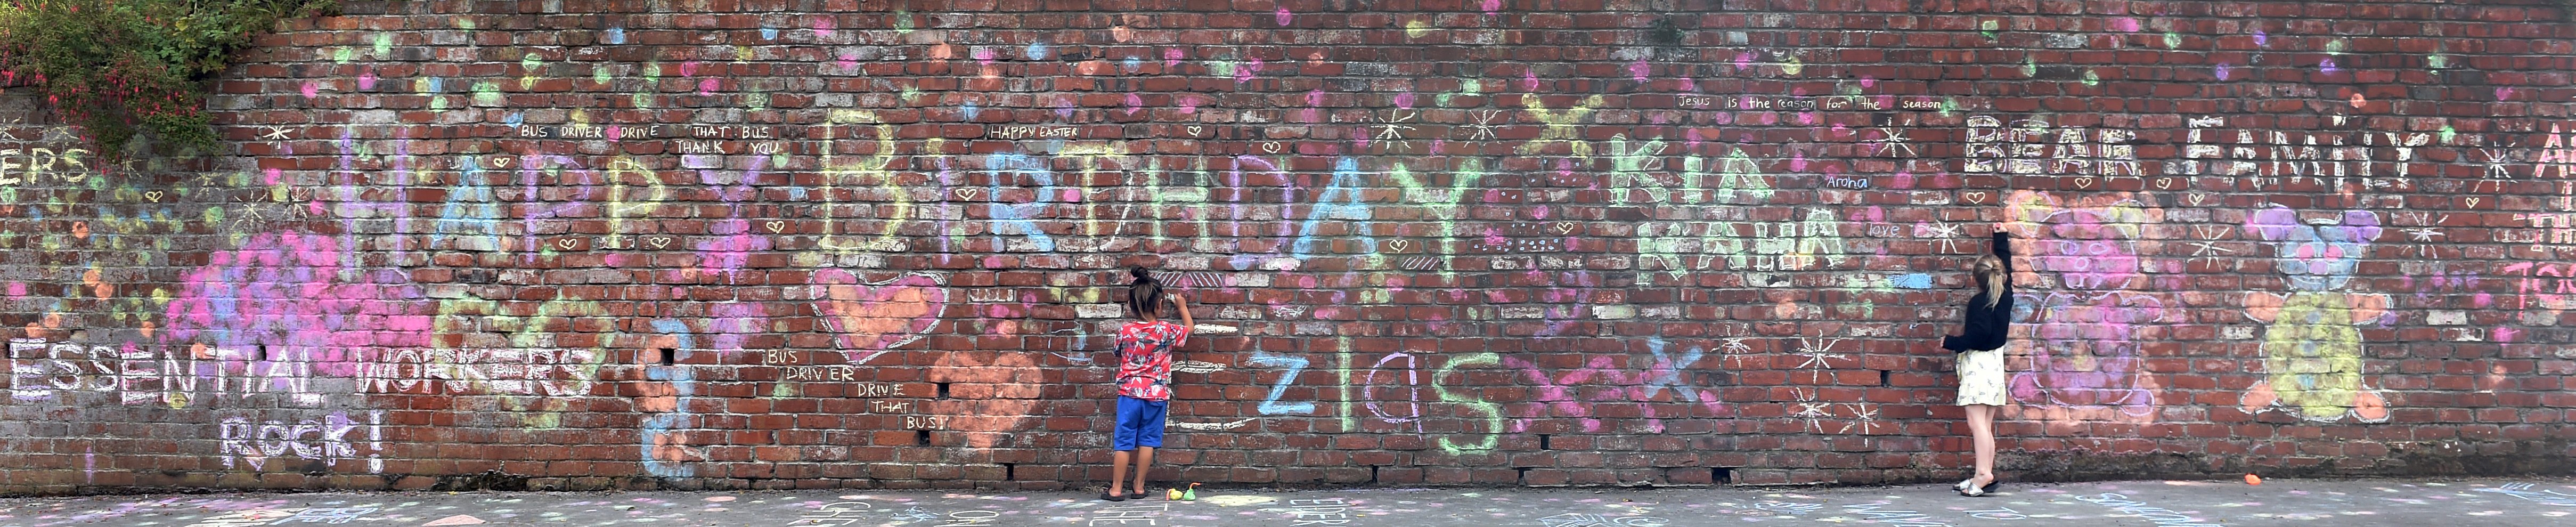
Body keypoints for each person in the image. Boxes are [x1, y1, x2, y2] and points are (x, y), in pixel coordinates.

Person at [1103, 267, 1192, 501]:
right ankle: (1139, 487)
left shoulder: (1125, 331)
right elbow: (1189, 330)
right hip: (1156, 395)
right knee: (1147, 442)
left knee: (1124, 443)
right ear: (1160, 305)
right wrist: (1182, 307)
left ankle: (1116, 489)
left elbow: (1118, 354)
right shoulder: (1166, 331)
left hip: (1129, 395)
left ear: (1131, 305)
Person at [1941, 230, 2014, 497]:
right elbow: (2007, 267)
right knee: (1984, 424)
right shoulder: (2005, 295)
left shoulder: (1979, 302)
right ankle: (1982, 473)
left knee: (1977, 424)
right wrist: (2002, 238)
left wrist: (1951, 342)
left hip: (1980, 365)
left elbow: (1978, 336)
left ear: (1976, 280)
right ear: (2001, 276)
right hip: (1994, 365)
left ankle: (1984, 474)